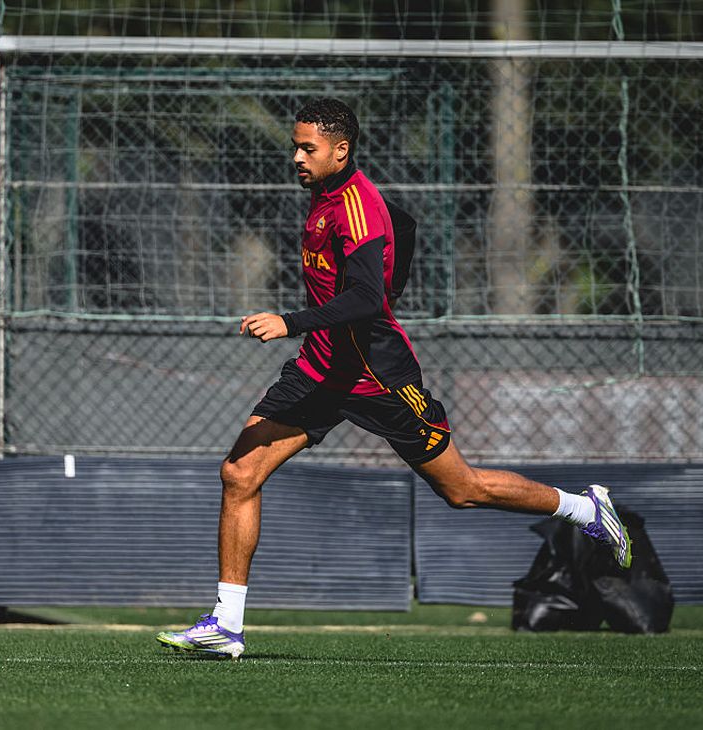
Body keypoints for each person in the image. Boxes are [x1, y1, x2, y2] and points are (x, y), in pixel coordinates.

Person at [155, 98, 632, 659]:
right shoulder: (326, 195)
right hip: (320, 368)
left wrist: (293, 321)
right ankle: (225, 625)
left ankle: (583, 509)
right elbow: (402, 226)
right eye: (296, 145)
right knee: (239, 473)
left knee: (462, 490)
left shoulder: (354, 206)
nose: (296, 157)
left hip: (378, 376)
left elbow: (363, 297)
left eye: (308, 148)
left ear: (341, 150)